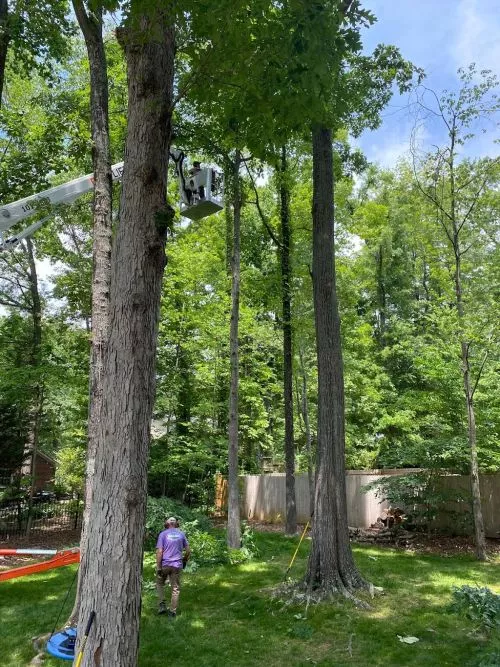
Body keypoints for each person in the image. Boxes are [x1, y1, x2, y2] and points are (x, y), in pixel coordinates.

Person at [156, 517, 190, 617]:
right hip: (177, 565)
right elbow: (188, 551)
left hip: (165, 564)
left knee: (159, 583)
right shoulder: (181, 534)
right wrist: (184, 560)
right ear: (176, 524)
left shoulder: (163, 534)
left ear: (166, 523)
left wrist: (158, 567)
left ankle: (162, 603)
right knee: (175, 588)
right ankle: (172, 612)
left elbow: (160, 552)